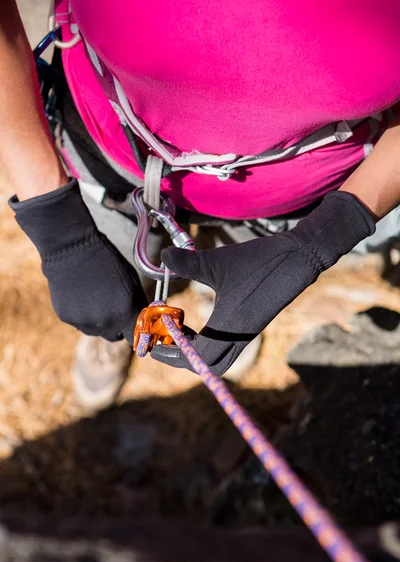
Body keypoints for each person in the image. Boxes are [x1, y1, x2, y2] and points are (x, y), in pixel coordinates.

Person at [2, 0, 400, 410]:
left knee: (233, 256)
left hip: (292, 196)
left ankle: (213, 299)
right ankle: (125, 323)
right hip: (107, 146)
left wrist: (318, 239)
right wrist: (60, 229)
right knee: (117, 256)